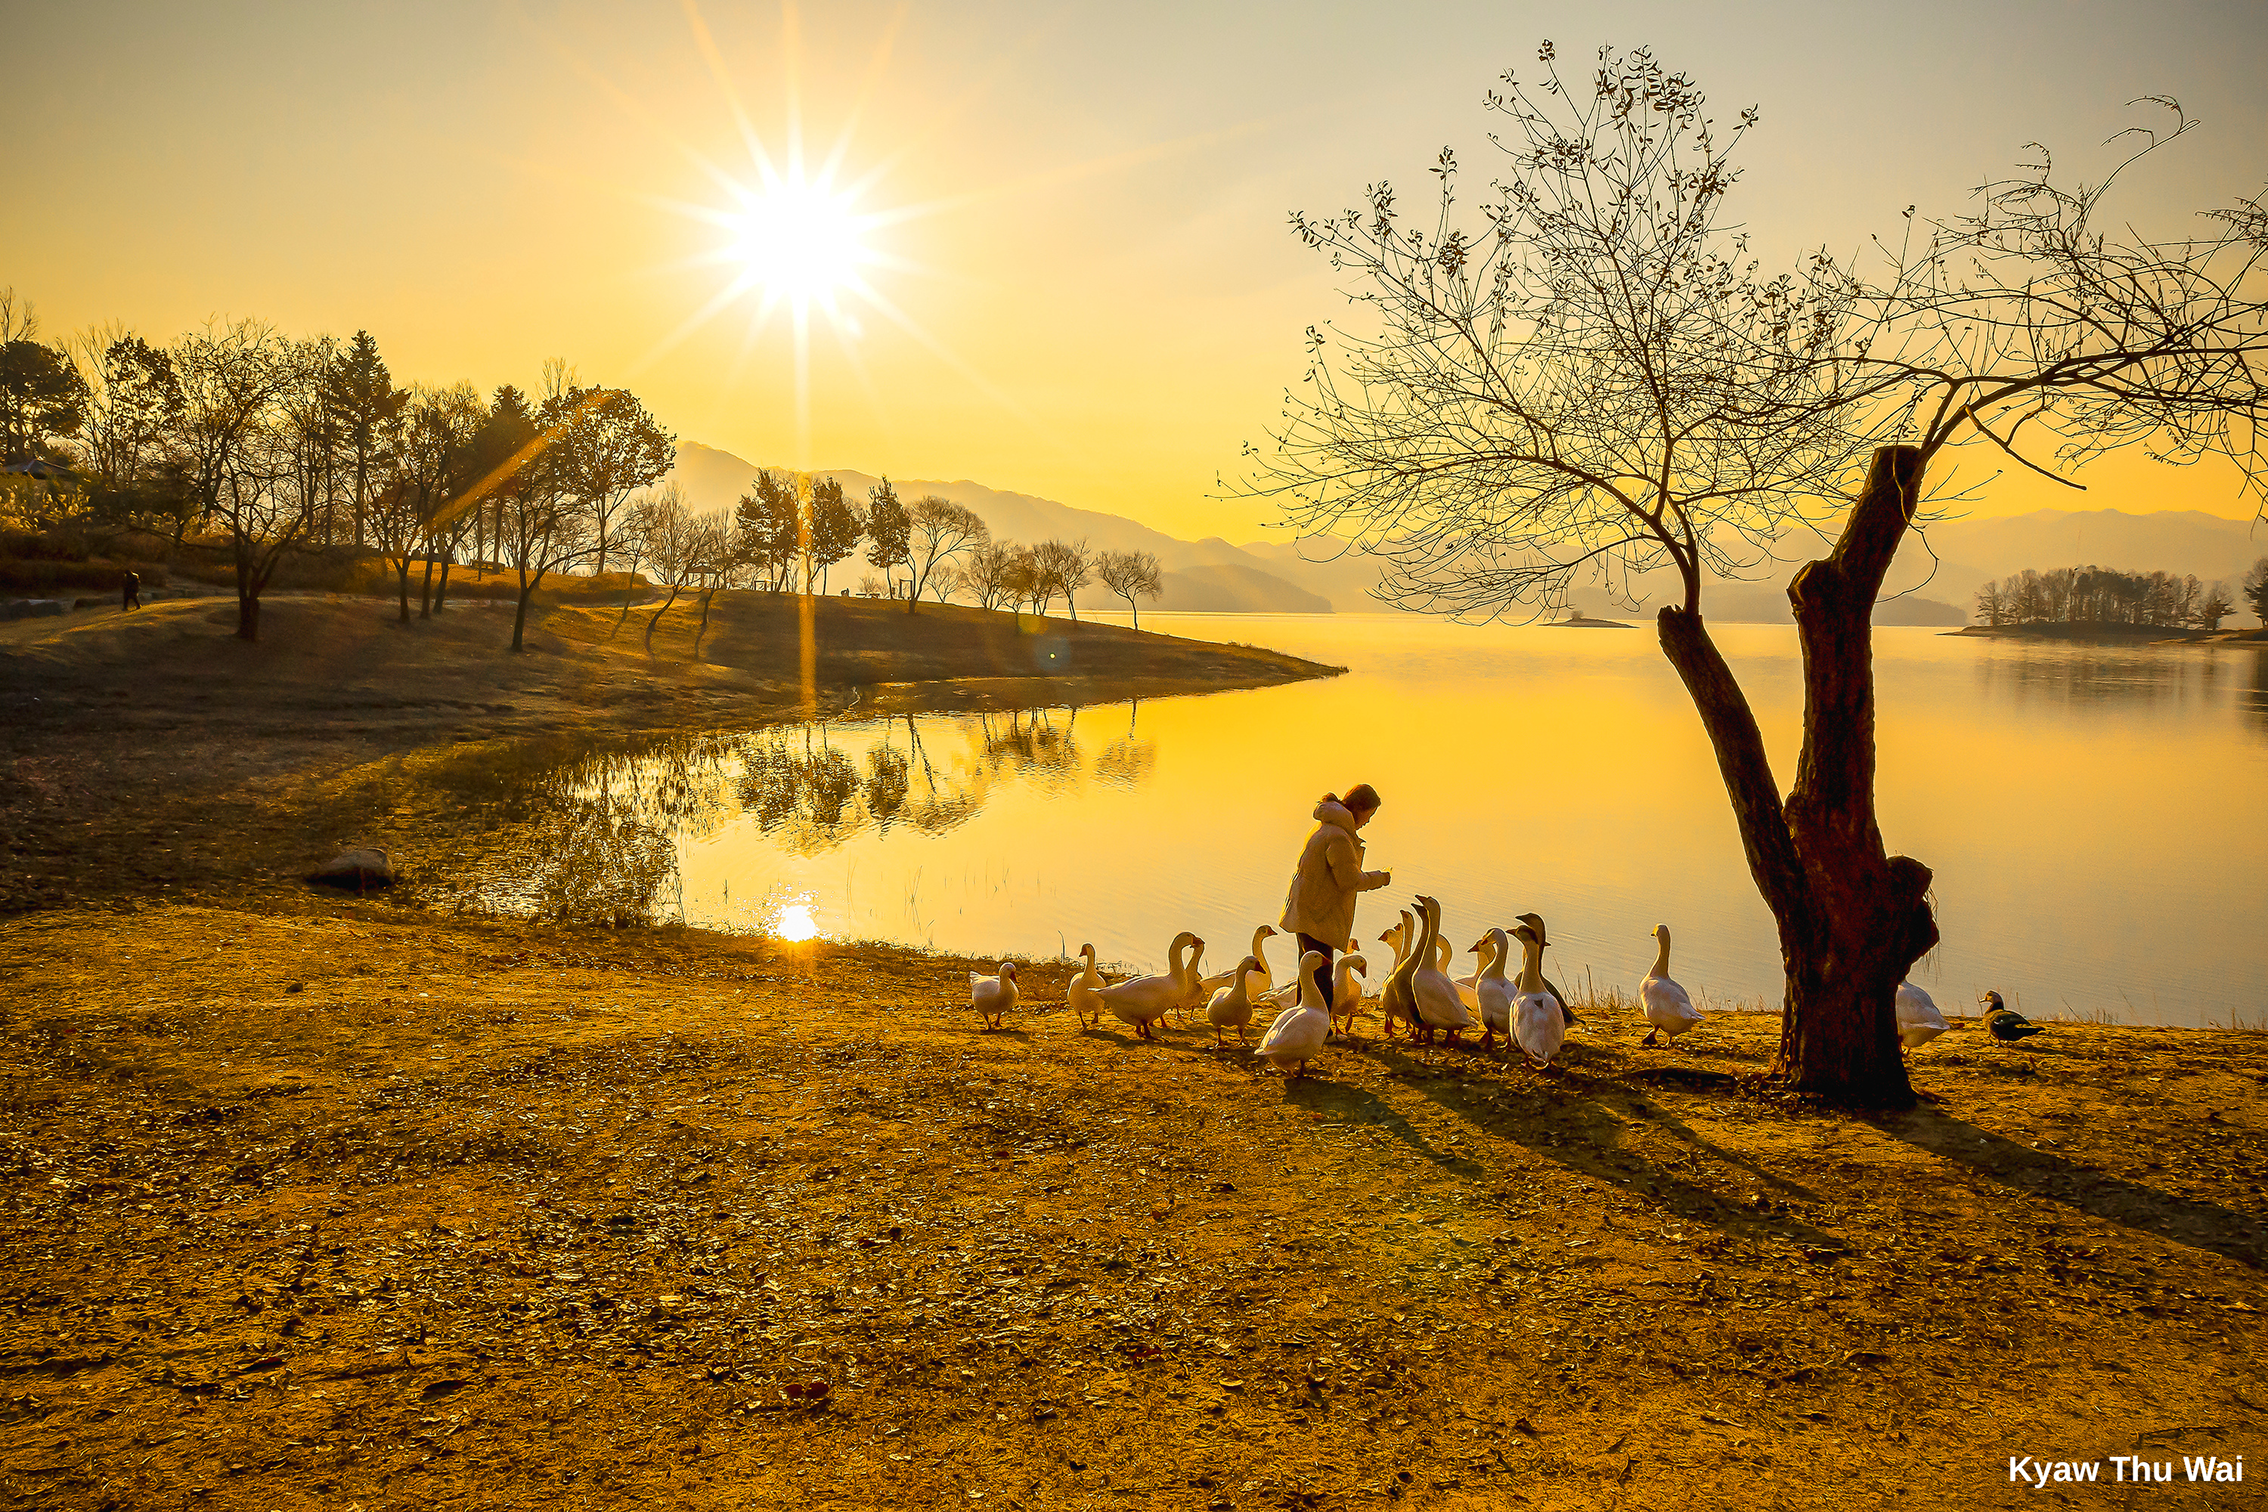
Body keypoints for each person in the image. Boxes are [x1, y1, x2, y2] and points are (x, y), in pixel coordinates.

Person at [1279, 783, 1391, 1020]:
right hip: (1318, 912)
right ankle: (1320, 1028)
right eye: (1369, 814)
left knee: (1307, 972)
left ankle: (1304, 1022)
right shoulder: (1339, 836)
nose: (1369, 821)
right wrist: (1380, 878)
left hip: (1305, 907)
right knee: (1321, 974)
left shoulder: (1325, 827)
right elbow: (1349, 880)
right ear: (1358, 807)